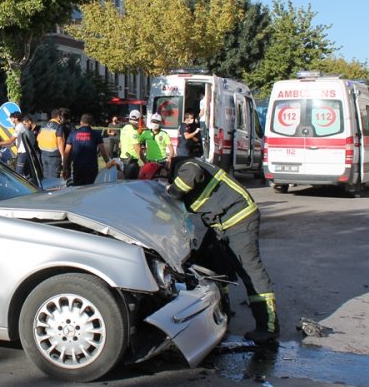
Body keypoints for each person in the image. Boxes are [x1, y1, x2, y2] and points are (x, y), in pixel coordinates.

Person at [142, 156, 279, 345]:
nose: (161, 185)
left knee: (250, 271)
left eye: (159, 180)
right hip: (220, 223)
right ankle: (223, 310)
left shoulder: (184, 166)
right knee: (211, 264)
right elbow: (167, 212)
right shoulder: (179, 171)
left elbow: (192, 176)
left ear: (163, 172)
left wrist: (170, 191)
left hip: (239, 218)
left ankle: (268, 327)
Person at [63, 113, 115, 186]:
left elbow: (66, 153)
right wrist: (108, 163)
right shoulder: (96, 134)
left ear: (81, 122)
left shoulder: (73, 134)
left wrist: (65, 168)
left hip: (78, 167)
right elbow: (103, 152)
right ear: (91, 123)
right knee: (91, 189)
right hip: (91, 168)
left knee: (78, 188)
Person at [36, 109, 66, 180]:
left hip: (43, 154)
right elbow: (60, 142)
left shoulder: (43, 125)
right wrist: (62, 155)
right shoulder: (59, 126)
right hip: (54, 156)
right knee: (53, 179)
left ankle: (46, 190)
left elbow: (38, 138)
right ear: (59, 116)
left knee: (46, 177)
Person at [119, 109, 142, 179]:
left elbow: (120, 144)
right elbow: (137, 148)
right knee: (132, 184)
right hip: (131, 161)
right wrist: (145, 162)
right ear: (138, 119)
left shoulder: (124, 128)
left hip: (124, 159)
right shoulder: (133, 131)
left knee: (126, 182)